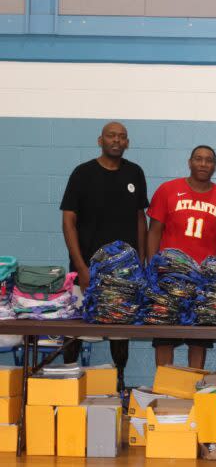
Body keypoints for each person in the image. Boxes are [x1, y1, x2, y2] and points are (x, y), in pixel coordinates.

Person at [60, 121, 148, 392]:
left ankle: (118, 384)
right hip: (85, 270)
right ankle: (66, 380)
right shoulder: (82, 173)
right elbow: (68, 222)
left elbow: (140, 219)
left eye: (122, 137)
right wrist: (81, 267)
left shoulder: (135, 173)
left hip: (124, 276)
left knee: (120, 334)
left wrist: (141, 264)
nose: (116, 141)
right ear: (100, 140)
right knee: (73, 331)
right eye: (111, 136)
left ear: (127, 143)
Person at [147, 145, 216, 369]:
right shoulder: (167, 190)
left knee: (198, 339)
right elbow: (154, 231)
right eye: (198, 159)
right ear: (190, 162)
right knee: (164, 335)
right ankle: (164, 390)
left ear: (214, 166)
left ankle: (194, 387)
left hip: (204, 280)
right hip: (169, 278)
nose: (203, 164)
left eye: (209, 160)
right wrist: (151, 267)